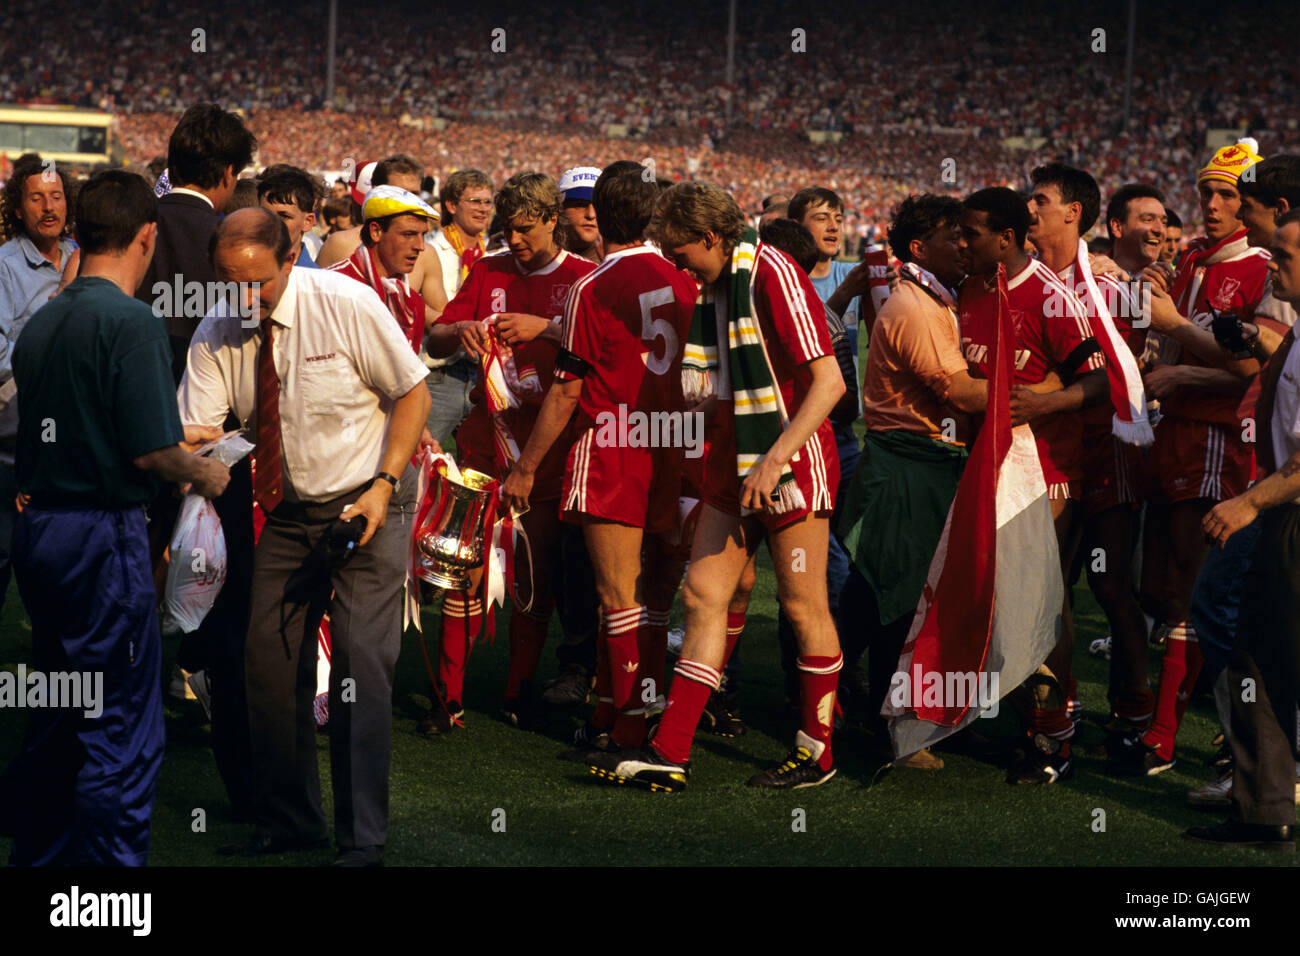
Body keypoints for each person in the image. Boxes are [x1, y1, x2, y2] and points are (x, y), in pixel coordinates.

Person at [181, 208, 429, 867]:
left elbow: (413, 394)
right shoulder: (215, 330)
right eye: (228, 281)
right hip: (289, 514)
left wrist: (382, 485)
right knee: (265, 660)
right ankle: (291, 821)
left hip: (368, 502)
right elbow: (200, 431)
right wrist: (177, 455)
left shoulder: (346, 303)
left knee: (358, 667)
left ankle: (362, 838)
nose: (242, 297)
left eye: (256, 282)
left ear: (290, 260)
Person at [586, 182, 846, 791]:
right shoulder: (723, 279)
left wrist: (774, 460)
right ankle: (671, 750)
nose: (677, 266)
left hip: (789, 463)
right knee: (703, 596)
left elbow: (828, 382)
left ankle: (817, 753)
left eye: (681, 253)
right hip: (735, 462)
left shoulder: (772, 275)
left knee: (802, 605)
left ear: (710, 237)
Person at [3, 170, 230, 866]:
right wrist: (206, 469)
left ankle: (41, 861)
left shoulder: (45, 319)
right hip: (102, 535)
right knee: (119, 726)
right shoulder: (130, 321)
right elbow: (154, 452)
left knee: (60, 712)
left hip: (44, 532)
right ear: (146, 237)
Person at [501, 161, 697, 753]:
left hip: (613, 445)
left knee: (617, 597)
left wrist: (526, 466)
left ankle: (630, 725)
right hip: (672, 441)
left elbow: (566, 390)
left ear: (599, 216)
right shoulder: (683, 276)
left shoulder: (595, 285)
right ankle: (618, 711)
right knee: (655, 594)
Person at [422, 172, 596, 734]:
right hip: (483, 444)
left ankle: (517, 690)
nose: (515, 240)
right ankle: (448, 698)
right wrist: (464, 327)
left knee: (530, 575)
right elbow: (436, 337)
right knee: (462, 569)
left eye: (525, 229)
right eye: (508, 229)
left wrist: (546, 329)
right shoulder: (488, 269)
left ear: (552, 220)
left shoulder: (581, 279)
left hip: (544, 452)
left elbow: (604, 350)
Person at [957, 185, 1108, 784]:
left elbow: (1099, 384)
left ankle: (1055, 736)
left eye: (973, 233)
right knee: (995, 600)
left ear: (1009, 239)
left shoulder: (1051, 298)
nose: (963, 242)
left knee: (1041, 604)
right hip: (979, 472)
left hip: (1043, 474)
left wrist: (1044, 403)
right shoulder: (970, 290)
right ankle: (1026, 721)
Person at [1136, 139, 1271, 774]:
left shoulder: (1265, 266)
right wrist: (1160, 361)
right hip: (1172, 437)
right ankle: (1190, 727)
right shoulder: (1191, 259)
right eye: (1206, 194)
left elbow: (1256, 371)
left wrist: (1177, 355)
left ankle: (1165, 736)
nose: (1212, 206)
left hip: (1219, 442)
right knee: (1163, 586)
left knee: (1197, 589)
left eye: (1227, 196)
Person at [837, 194, 980, 771]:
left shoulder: (936, 298)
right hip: (909, 467)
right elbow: (960, 392)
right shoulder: (915, 307)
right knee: (891, 599)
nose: (966, 246)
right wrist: (1053, 394)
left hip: (922, 464)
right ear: (921, 248)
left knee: (882, 593)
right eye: (955, 237)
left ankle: (843, 703)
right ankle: (881, 725)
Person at [1185, 209, 1300, 852]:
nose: (1272, 262)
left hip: (1288, 514)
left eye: (1283, 254)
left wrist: (1248, 503)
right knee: (1255, 652)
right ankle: (1264, 809)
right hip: (1283, 514)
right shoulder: (1298, 330)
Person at [1085, 183, 1165, 772]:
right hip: (1077, 446)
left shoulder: (1153, 283)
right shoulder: (1095, 275)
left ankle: (1133, 714)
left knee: (1114, 587)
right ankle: (1051, 710)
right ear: (1115, 225)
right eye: (1146, 218)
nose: (1160, 228)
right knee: (1081, 584)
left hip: (1120, 451)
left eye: (1163, 220)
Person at [0, 153, 78, 620]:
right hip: (11, 447)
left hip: (67, 450)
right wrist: (53, 361)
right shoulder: (5, 266)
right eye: (36, 198)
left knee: (60, 572)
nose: (49, 208)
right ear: (17, 207)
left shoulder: (83, 257)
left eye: (56, 196)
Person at [426, 169, 493, 446]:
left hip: (481, 377)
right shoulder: (429, 249)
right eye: (475, 201)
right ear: (452, 205)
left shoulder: (493, 254)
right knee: (421, 465)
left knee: (478, 472)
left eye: (488, 202)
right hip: (438, 376)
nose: (483, 209)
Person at [258, 165, 326, 270]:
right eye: (265, 214)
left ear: (307, 222)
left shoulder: (320, 283)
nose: (271, 223)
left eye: (284, 216)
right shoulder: (238, 275)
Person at [558, 165, 602, 262]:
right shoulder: (536, 262)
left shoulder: (620, 268)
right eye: (580, 205)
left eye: (598, 205)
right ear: (560, 209)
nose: (591, 215)